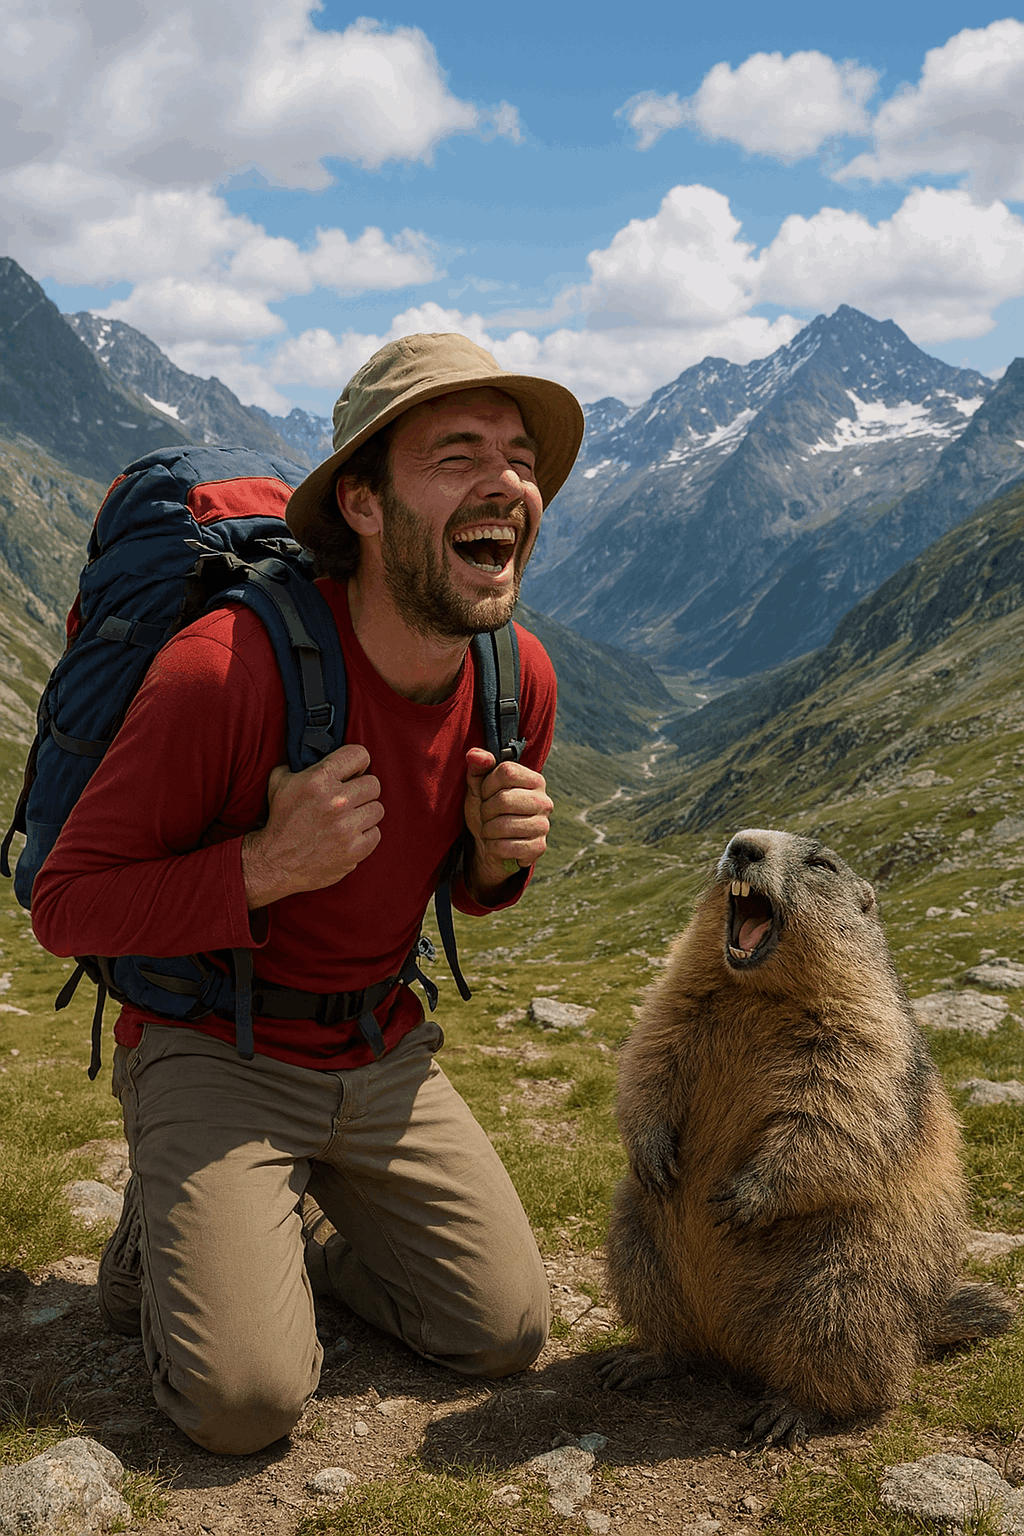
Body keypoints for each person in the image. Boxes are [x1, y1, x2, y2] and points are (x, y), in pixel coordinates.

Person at [31, 332, 585, 1456]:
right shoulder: (224, 671)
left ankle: (267, 1243)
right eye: (457, 453)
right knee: (245, 1407)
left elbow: (451, 888)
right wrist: (261, 868)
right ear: (365, 507)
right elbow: (67, 905)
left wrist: (488, 864)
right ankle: (165, 1242)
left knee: (502, 1331)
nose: (506, 484)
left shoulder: (512, 675)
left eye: (521, 458)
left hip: (377, 1046)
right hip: (213, 1046)